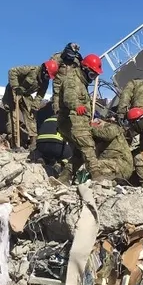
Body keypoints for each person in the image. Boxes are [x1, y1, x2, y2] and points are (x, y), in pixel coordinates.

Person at [55, 53, 102, 183]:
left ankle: (64, 178)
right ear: (85, 69)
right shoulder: (72, 80)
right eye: (92, 75)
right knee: (88, 145)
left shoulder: (82, 82)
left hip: (78, 121)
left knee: (78, 153)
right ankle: (97, 176)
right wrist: (76, 106)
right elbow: (69, 97)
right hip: (70, 120)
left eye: (95, 76)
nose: (92, 79)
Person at [3, 60, 59, 149]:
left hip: (26, 94)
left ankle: (33, 142)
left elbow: (40, 95)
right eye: (47, 75)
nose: (47, 78)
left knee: (31, 115)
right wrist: (15, 86)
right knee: (13, 115)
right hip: (13, 91)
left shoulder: (45, 82)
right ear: (44, 70)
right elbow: (12, 71)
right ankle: (14, 141)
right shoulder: (31, 70)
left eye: (49, 77)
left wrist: (34, 106)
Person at [34, 106, 72, 175]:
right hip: (56, 145)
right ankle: (60, 165)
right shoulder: (65, 120)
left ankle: (43, 159)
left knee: (48, 154)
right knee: (72, 150)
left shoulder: (47, 119)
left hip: (41, 145)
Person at [50, 43, 82, 114]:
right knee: (58, 109)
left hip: (72, 87)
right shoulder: (57, 57)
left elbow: (81, 73)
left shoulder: (77, 60)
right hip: (59, 87)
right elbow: (50, 69)